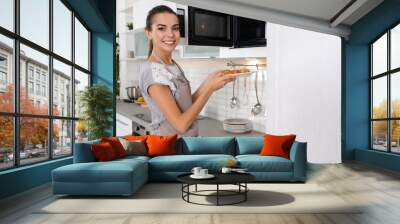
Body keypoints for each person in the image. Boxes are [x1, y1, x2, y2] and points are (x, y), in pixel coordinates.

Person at [139, 5, 235, 136]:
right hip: (171, 149)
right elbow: (181, 125)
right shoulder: (153, 73)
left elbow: (185, 106)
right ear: (148, 32)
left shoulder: (172, 64)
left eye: (175, 28)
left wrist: (208, 82)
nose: (171, 34)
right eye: (161, 28)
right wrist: (209, 89)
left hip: (187, 143)